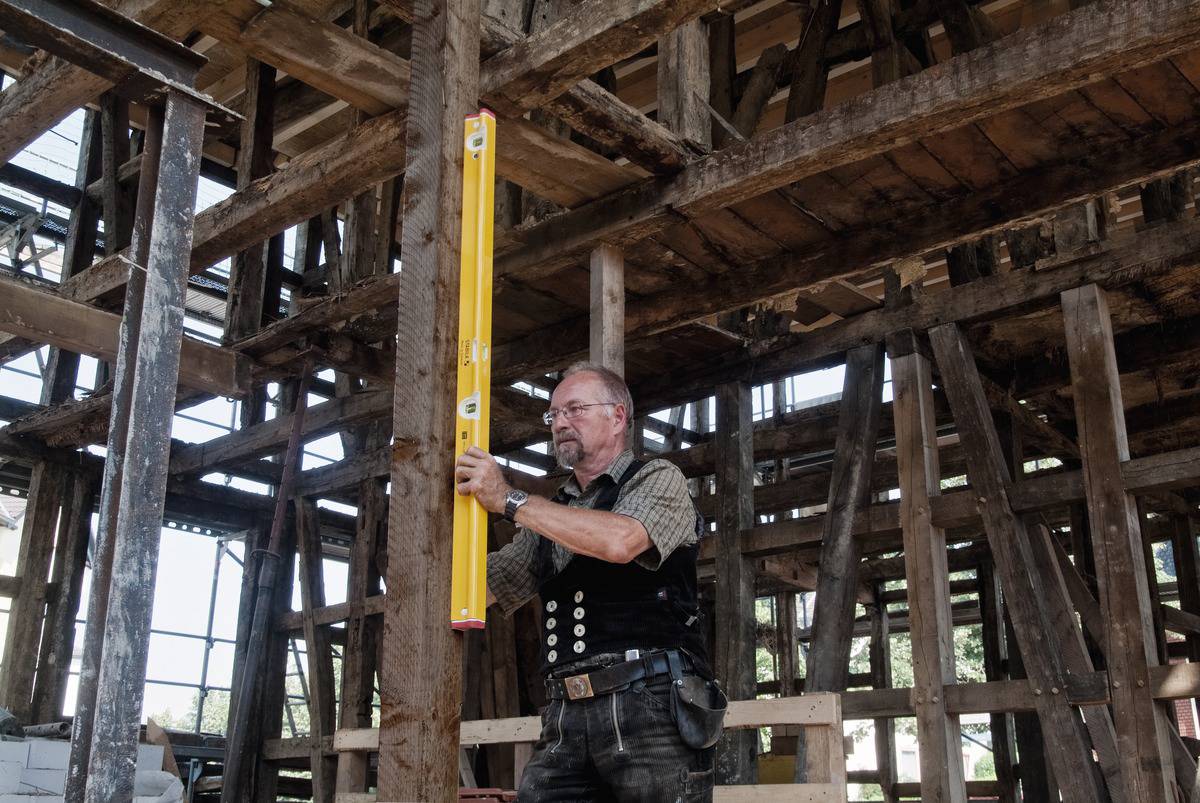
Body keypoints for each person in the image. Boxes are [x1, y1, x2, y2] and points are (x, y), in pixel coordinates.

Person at [454, 362, 723, 802]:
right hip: (565, 713)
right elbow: (482, 587)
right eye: (554, 414)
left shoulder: (658, 478)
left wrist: (507, 499)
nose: (560, 422)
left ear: (617, 417)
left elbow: (621, 540)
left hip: (651, 704)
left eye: (574, 409)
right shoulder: (550, 513)